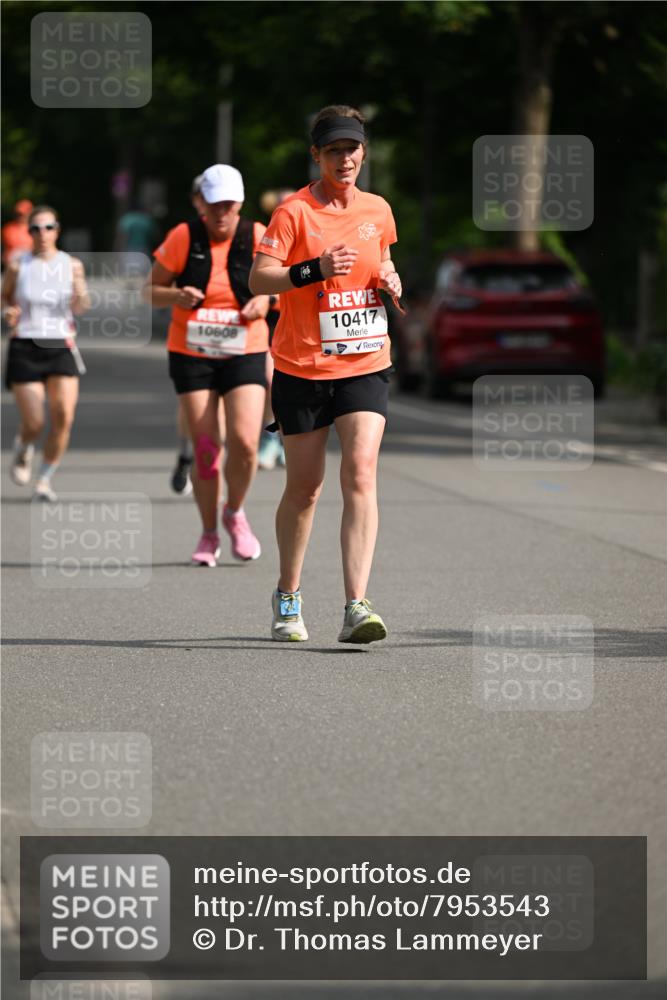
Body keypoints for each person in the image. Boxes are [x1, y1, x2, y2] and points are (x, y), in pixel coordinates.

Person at [249, 105, 402, 644]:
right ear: (316, 155)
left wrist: (390, 279)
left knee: (360, 473)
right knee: (305, 488)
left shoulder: (378, 209)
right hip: (303, 366)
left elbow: (383, 260)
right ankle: (288, 594)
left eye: (352, 149)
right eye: (334, 150)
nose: (345, 159)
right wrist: (313, 269)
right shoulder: (294, 212)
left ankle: (356, 605)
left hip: (365, 360)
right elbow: (259, 279)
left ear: (363, 152)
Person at [144, 163, 276, 567]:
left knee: (246, 443)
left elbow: (286, 286)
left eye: (228, 205)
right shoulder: (183, 236)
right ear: (202, 202)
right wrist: (175, 296)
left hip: (245, 348)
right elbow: (150, 291)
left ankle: (234, 511)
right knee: (205, 448)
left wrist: (265, 300)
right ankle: (208, 532)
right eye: (214, 204)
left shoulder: (259, 236)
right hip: (192, 352)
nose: (221, 213)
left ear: (240, 203)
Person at [1, 204, 90, 501]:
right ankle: (24, 445)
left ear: (57, 230)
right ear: (29, 232)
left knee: (63, 416)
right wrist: (8, 311)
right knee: (35, 421)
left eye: (48, 227)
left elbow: (81, 306)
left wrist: (80, 295)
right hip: (25, 344)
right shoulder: (18, 265)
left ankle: (44, 479)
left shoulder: (72, 265)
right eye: (36, 228)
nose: (42, 233)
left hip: (60, 344)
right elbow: (4, 297)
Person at [256, 189, 296, 471]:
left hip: (303, 324)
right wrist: (266, 297)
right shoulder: (266, 240)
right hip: (272, 323)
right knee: (272, 382)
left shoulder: (314, 237)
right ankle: (271, 439)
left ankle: (287, 440)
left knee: (298, 388)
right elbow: (255, 280)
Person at [2, 199, 34, 267]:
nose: (21, 216)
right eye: (19, 214)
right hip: (12, 265)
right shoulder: (8, 229)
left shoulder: (36, 228)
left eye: (23, 214)